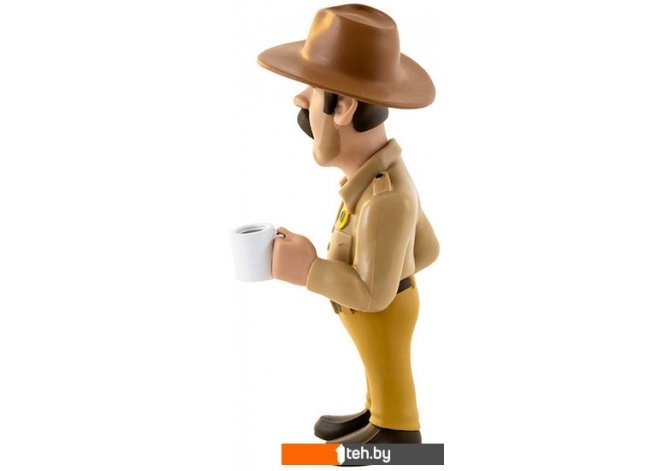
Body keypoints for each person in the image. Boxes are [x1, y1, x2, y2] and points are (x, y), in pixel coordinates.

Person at [257, 4, 439, 444]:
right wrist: (392, 266)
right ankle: (379, 413)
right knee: (379, 367)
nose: (300, 100)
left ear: (344, 107)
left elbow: (374, 296)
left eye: (314, 90)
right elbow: (428, 248)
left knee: (386, 364)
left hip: (380, 314)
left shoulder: (385, 199)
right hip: (381, 313)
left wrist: (308, 270)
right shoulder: (378, 182)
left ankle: (397, 434)